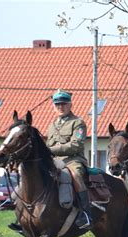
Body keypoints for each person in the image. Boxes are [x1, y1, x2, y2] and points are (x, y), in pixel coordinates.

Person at [46, 89, 95, 229]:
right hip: (54, 161)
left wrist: (51, 150)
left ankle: (86, 214)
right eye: (57, 105)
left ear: (70, 105)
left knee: (75, 175)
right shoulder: (52, 125)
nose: (60, 107)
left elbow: (76, 145)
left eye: (63, 104)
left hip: (73, 160)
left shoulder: (78, 123)